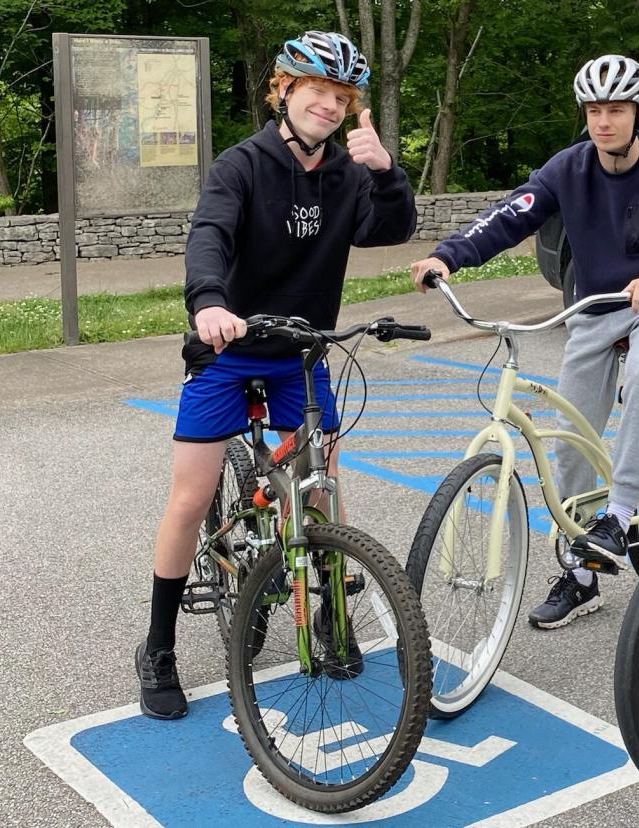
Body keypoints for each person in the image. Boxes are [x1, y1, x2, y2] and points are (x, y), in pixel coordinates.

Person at [136, 31, 418, 720]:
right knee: (189, 494)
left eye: (339, 96)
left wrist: (386, 173)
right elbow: (210, 234)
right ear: (284, 90)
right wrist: (209, 304)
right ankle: (158, 646)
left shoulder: (348, 174)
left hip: (300, 353)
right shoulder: (241, 165)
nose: (327, 104)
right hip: (228, 350)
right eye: (315, 90)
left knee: (320, 488)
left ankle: (330, 618)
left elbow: (393, 230)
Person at [410, 54, 639, 630]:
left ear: (638, 113)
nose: (604, 121)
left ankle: (620, 516)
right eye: (594, 110)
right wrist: (448, 257)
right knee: (572, 436)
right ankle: (581, 574)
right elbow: (508, 216)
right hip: (593, 308)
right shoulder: (567, 169)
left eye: (616, 110)